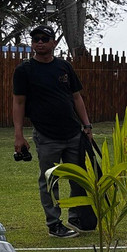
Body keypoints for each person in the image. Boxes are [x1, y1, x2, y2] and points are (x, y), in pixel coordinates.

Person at [12, 25, 94, 238]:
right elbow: (19, 102)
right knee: (49, 180)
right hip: (46, 135)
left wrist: (87, 125)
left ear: (54, 43)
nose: (39, 42)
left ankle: (76, 216)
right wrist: (19, 135)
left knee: (78, 177)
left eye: (44, 38)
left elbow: (76, 97)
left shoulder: (64, 67)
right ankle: (54, 224)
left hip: (73, 133)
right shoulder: (24, 70)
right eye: (35, 39)